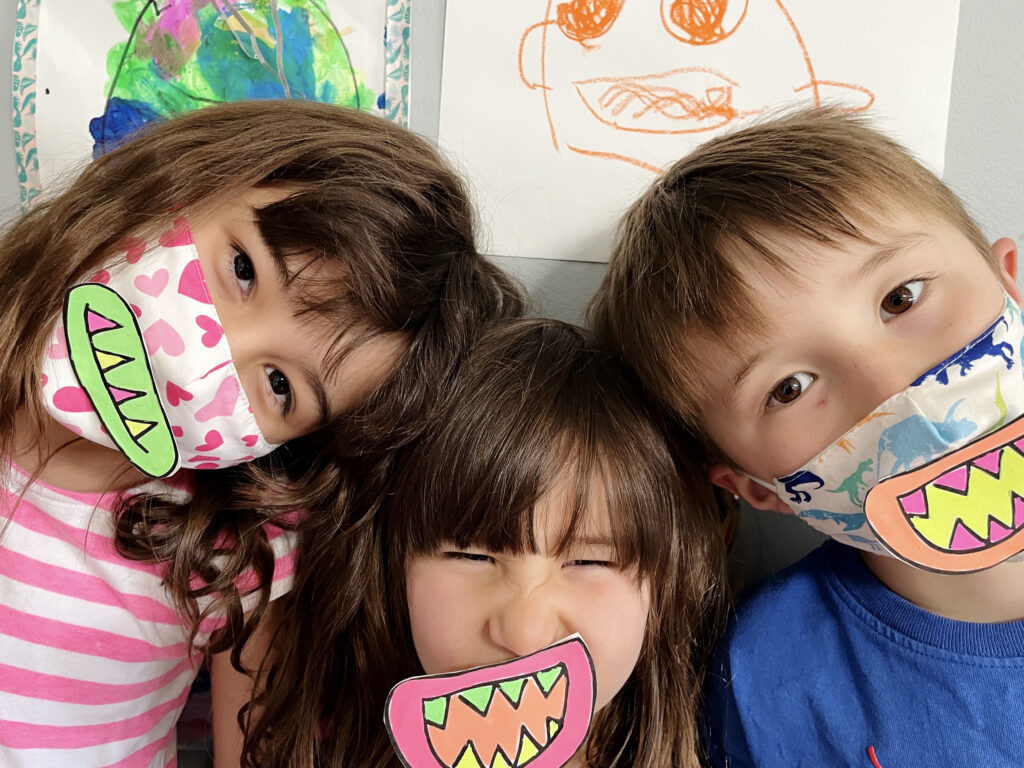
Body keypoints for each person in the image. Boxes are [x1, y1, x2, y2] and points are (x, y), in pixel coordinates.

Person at [0, 100, 521, 767]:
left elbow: (247, 751)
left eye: (280, 385)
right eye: (242, 268)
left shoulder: (238, 558)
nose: (196, 362)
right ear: (183, 179)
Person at [589, 107, 1024, 766]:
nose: (888, 386)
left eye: (902, 297)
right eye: (787, 388)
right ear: (759, 490)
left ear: (1012, 280)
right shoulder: (770, 673)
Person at [245, 319, 727, 767]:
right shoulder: (308, 736)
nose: (524, 635)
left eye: (588, 560)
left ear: (663, 587)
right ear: (395, 570)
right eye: (471, 555)